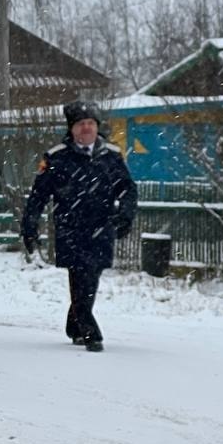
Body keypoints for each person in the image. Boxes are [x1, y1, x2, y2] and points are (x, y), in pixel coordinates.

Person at [21, 101, 137, 352]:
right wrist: (30, 227)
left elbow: (127, 189)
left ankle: (75, 323)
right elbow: (38, 196)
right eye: (81, 124)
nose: (87, 128)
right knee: (79, 275)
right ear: (72, 129)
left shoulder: (111, 156)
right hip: (70, 228)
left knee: (91, 278)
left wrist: (126, 215)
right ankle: (90, 330)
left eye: (91, 124)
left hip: (101, 226)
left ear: (97, 127)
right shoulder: (57, 157)